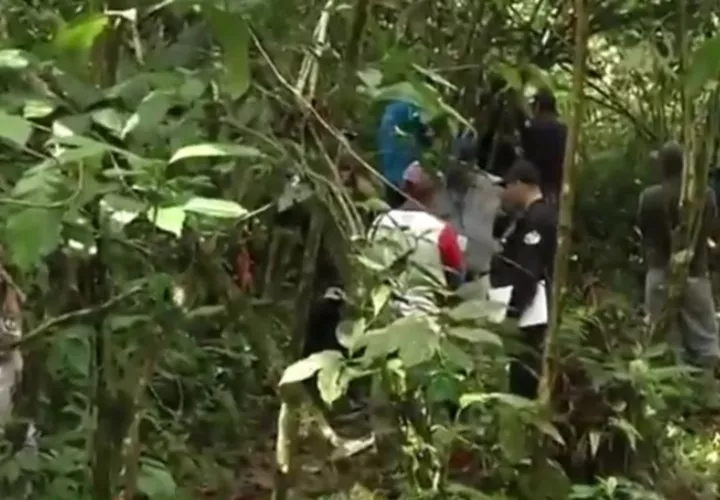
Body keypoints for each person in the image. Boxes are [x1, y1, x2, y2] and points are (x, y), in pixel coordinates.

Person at [638, 141, 720, 368]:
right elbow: (712, 228)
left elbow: (644, 231)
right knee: (705, 341)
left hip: (658, 272)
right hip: (696, 272)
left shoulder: (648, 197)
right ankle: (707, 382)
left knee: (659, 341)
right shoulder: (706, 195)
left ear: (662, 166)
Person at [490, 159, 557, 399]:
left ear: (521, 184)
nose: (505, 193)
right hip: (531, 310)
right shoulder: (527, 217)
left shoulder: (538, 219)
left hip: (533, 314)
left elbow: (529, 269)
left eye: (508, 186)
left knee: (525, 376)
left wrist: (514, 309)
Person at [377, 100, 431, 208]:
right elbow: (424, 135)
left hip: (390, 172)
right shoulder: (411, 109)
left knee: (395, 205)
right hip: (407, 168)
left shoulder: (388, 111)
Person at [521, 88, 568, 202]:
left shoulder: (533, 126)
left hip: (535, 181)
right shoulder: (564, 129)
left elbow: (525, 153)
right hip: (556, 182)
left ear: (537, 106)